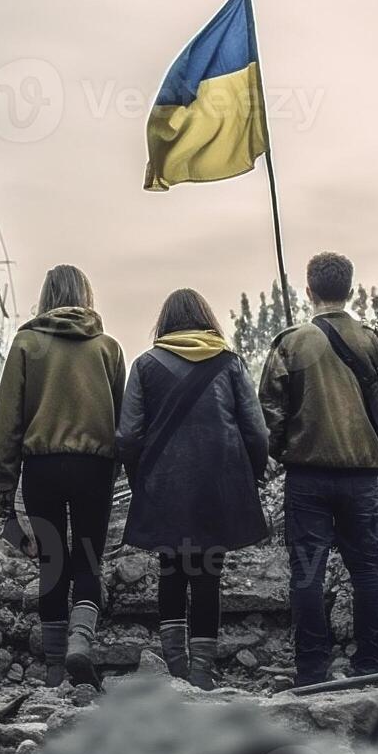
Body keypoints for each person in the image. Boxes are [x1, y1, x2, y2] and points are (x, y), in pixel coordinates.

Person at [259, 253, 378, 687]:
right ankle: (371, 666)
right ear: (349, 289)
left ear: (307, 290)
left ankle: (312, 671)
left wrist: (278, 453)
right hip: (365, 478)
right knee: (368, 573)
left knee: (307, 574)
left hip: (306, 479)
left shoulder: (291, 343)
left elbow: (269, 414)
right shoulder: (375, 342)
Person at [116, 289, 268, 689]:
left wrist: (140, 479)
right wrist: (249, 476)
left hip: (165, 484)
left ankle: (175, 665)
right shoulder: (230, 363)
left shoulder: (146, 365)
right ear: (207, 319)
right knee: (207, 571)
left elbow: (129, 434)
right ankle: (202, 668)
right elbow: (256, 429)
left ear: (164, 323)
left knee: (172, 568)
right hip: (218, 483)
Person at [0, 264, 125, 687]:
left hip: (42, 468)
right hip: (94, 468)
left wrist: (4, 487)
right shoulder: (108, 348)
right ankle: (80, 646)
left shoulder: (27, 344)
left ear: (47, 295)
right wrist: (119, 468)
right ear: (86, 295)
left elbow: (8, 419)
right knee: (88, 560)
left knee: (52, 562)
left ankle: (52, 670)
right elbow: (125, 418)